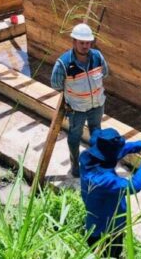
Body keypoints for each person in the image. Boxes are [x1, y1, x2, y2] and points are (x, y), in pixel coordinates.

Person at [80, 128, 141, 258]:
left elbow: (118, 151)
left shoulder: (88, 158)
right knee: (111, 253)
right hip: (106, 230)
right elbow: (134, 185)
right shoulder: (104, 180)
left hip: (95, 222)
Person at [51, 23, 109, 178]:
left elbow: (105, 73)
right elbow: (55, 84)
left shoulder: (97, 57)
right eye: (82, 43)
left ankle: (96, 163)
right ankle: (75, 166)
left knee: (96, 134)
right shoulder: (63, 63)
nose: (85, 46)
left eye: (88, 43)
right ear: (74, 42)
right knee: (74, 137)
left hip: (97, 106)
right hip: (76, 109)